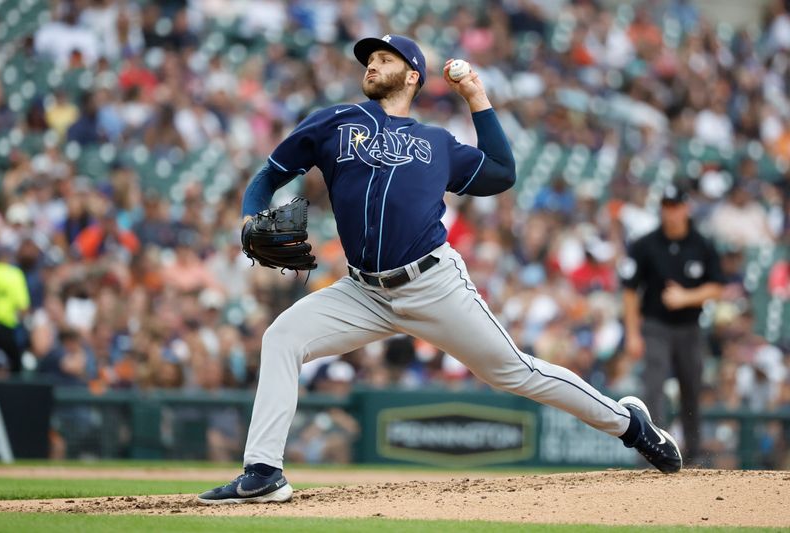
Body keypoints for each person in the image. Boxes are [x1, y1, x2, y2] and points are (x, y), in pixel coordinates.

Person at [198, 34, 682, 505]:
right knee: (281, 338)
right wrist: (249, 215)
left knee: (515, 373)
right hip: (361, 292)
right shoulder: (335, 123)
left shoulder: (437, 143)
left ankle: (630, 425)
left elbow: (502, 172)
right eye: (368, 58)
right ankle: (263, 472)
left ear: (412, 76)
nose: (371, 64)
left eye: (384, 58)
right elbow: (268, 175)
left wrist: (476, 97)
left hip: (432, 283)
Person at [620, 183, 724, 465]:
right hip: (656, 326)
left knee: (691, 388)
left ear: (686, 208)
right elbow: (630, 290)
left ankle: (694, 454)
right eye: (666, 207)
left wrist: (686, 296)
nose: (671, 213)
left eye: (676, 207)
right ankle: (653, 452)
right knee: (653, 388)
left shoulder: (702, 244)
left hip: (690, 328)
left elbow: (717, 287)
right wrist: (632, 334)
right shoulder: (645, 244)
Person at [0, 243, 31, 373]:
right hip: (5, 325)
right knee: (16, 365)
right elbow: (23, 306)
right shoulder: (14, 274)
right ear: (5, 258)